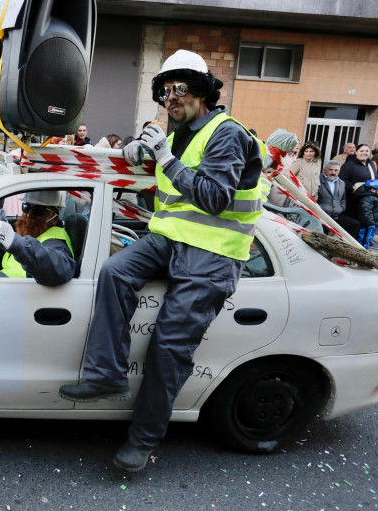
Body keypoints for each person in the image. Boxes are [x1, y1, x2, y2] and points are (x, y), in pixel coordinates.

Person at [58, 49, 264, 473]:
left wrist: (164, 157)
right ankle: (107, 374)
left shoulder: (227, 133)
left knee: (168, 348)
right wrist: (140, 153)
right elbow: (164, 181)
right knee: (114, 271)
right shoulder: (180, 133)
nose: (171, 97)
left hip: (213, 255)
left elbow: (213, 196)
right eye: (165, 90)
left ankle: (142, 442)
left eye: (181, 88)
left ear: (202, 90)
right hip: (169, 239)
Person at [0, 190, 76, 286]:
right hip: (5, 291)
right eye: (26, 207)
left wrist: (17, 244)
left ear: (54, 218)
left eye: (39, 210)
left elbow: (59, 269)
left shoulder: (55, 241)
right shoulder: (35, 233)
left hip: (20, 302)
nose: (29, 215)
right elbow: (0, 256)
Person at [317, 160, 359, 236]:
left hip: (336, 215)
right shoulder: (318, 179)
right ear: (324, 170)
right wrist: (320, 208)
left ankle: (344, 246)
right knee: (323, 232)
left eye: (336, 170)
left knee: (354, 225)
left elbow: (343, 198)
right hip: (322, 215)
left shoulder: (341, 183)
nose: (333, 172)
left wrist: (341, 208)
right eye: (331, 170)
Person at [355, 178, 378, 249]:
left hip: (372, 223)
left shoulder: (374, 197)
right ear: (373, 190)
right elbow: (366, 212)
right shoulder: (368, 198)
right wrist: (370, 223)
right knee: (364, 238)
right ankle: (361, 250)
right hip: (368, 224)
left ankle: (365, 248)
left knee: (368, 238)